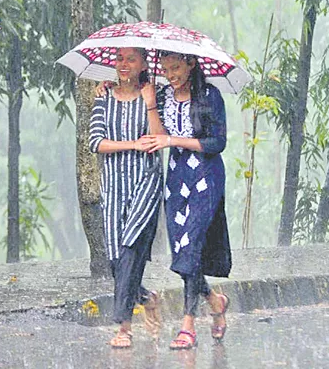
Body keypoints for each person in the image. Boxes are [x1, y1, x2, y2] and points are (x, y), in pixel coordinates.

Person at [148, 51, 232, 350]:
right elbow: (155, 134)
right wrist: (145, 98)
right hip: (175, 178)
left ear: (191, 63)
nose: (170, 74)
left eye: (176, 68)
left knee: (193, 244)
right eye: (165, 68)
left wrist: (173, 141)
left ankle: (188, 324)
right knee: (182, 248)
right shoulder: (161, 95)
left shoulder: (210, 95)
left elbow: (217, 143)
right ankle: (215, 300)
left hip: (206, 177)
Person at [88, 47, 165, 348]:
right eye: (119, 58)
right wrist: (133, 144)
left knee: (131, 246)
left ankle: (124, 327)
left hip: (146, 180)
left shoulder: (154, 94)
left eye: (131, 59)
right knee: (115, 259)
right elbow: (96, 142)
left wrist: (150, 105)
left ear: (144, 63)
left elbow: (159, 139)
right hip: (113, 184)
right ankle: (147, 297)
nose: (123, 64)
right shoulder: (103, 96)